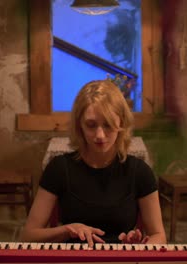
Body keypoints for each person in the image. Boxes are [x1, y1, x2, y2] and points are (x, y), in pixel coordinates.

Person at [21, 80, 166, 247]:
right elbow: (29, 236)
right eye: (91, 125)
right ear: (79, 126)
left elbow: (158, 235)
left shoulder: (139, 172)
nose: (100, 135)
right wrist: (68, 230)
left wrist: (139, 247)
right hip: (74, 258)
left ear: (121, 124)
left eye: (108, 125)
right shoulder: (59, 168)